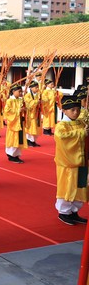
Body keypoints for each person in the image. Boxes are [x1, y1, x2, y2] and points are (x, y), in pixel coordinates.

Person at [54, 95, 89, 225]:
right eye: (72, 110)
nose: (76, 112)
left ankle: (74, 211)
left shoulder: (81, 122)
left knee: (81, 186)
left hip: (82, 161)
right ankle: (64, 212)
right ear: (64, 110)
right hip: (68, 164)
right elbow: (62, 138)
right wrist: (81, 134)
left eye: (77, 109)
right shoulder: (61, 126)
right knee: (67, 188)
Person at [4, 84, 27, 163]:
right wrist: (18, 111)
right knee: (13, 139)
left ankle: (16, 155)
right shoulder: (9, 101)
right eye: (19, 91)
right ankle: (11, 155)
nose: (21, 93)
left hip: (19, 122)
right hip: (13, 123)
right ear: (13, 91)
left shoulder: (20, 100)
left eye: (21, 91)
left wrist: (24, 109)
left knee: (19, 139)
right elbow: (7, 112)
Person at [24, 81, 42, 147]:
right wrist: (37, 101)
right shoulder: (27, 95)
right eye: (36, 87)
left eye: (38, 87)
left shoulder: (38, 95)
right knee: (31, 128)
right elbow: (29, 104)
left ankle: (33, 140)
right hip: (30, 114)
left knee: (36, 127)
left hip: (36, 113)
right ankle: (29, 141)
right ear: (31, 88)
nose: (37, 89)